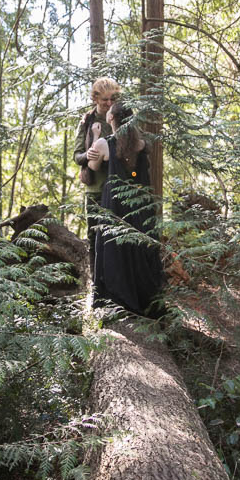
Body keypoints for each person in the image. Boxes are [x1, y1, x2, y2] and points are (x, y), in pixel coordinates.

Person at [87, 100, 164, 318]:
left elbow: (92, 165)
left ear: (111, 118)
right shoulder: (140, 143)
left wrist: (94, 135)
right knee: (138, 244)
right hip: (139, 201)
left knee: (114, 245)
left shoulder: (104, 143)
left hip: (115, 201)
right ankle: (143, 296)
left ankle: (116, 296)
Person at [73, 77, 121, 271]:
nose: (109, 104)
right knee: (94, 235)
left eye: (112, 99)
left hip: (118, 187)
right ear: (95, 98)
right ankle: (95, 282)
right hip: (94, 188)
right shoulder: (87, 121)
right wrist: (88, 155)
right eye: (105, 100)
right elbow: (77, 156)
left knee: (116, 237)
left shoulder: (120, 117)